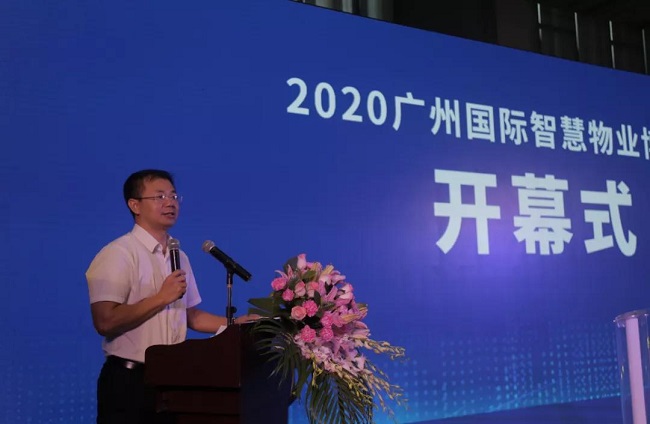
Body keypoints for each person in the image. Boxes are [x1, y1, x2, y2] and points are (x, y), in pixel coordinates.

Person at [86, 169, 255, 424]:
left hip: (173, 380)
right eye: (159, 196)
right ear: (135, 205)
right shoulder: (118, 253)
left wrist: (234, 325)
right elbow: (105, 321)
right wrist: (161, 297)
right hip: (130, 382)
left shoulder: (179, 256)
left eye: (174, 196)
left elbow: (190, 316)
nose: (170, 203)